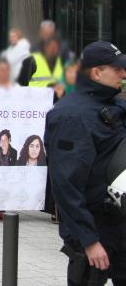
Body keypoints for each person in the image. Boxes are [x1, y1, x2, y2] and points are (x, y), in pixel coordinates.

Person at [45, 41, 126, 286]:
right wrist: (90, 241)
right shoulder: (70, 116)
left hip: (119, 225)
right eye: (118, 69)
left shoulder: (115, 106)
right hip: (93, 232)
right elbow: (66, 186)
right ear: (96, 72)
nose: (123, 74)